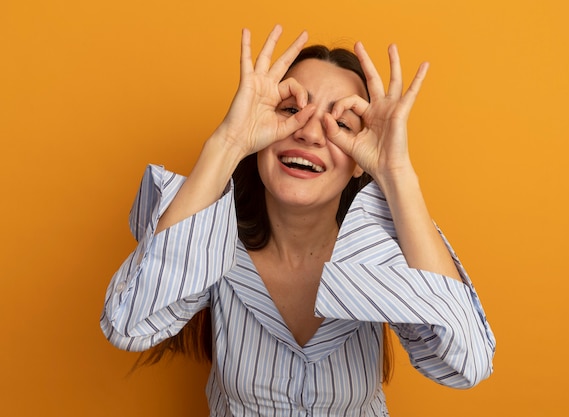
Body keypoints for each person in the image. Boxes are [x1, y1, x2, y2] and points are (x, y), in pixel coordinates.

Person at [101, 25, 495, 416]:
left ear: (360, 161)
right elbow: (126, 323)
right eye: (291, 110)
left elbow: (467, 364)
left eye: (341, 123)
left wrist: (396, 171)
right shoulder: (212, 243)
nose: (309, 133)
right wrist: (229, 142)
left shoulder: (381, 256)